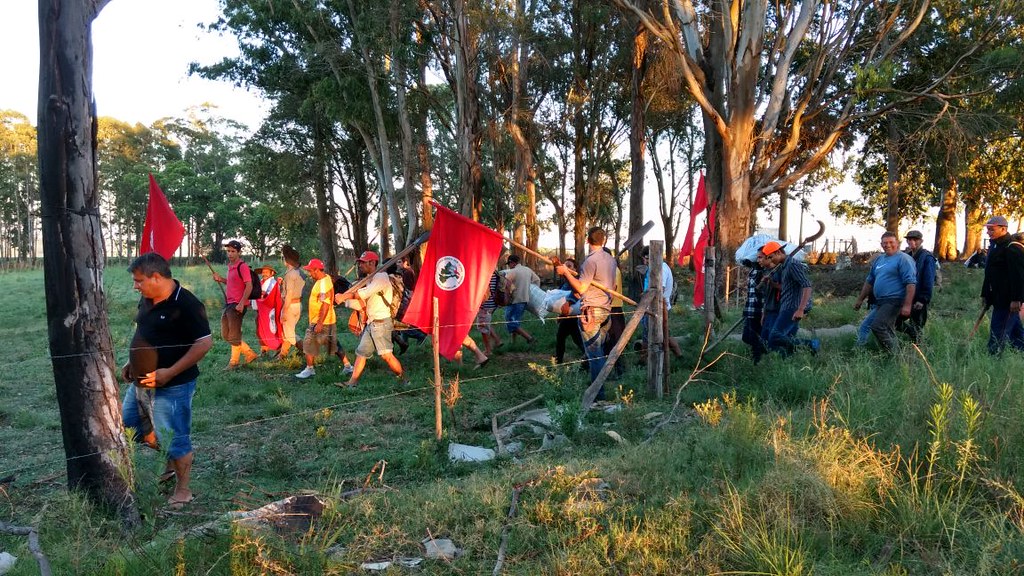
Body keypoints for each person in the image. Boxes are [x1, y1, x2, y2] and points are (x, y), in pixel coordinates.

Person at [121, 252, 213, 510]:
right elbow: (145, 330)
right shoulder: (147, 299)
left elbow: (204, 343)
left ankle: (183, 491)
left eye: (139, 281)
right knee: (130, 428)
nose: (135, 286)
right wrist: (133, 362)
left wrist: (170, 371)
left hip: (173, 386)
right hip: (140, 382)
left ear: (157, 277)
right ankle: (170, 462)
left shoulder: (186, 304)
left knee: (175, 438)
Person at [556, 227, 616, 400]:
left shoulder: (590, 261)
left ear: (588, 241)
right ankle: (601, 387)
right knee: (599, 352)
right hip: (606, 310)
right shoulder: (611, 260)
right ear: (603, 241)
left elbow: (581, 288)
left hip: (592, 310)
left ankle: (598, 395)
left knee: (594, 355)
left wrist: (566, 272)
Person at [335, 251, 407, 387]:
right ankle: (351, 383)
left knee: (387, 356)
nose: (360, 265)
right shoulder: (371, 278)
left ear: (372, 263)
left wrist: (344, 297)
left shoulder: (380, 278)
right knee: (361, 353)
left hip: (381, 323)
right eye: (360, 262)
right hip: (372, 323)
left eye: (363, 262)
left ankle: (404, 380)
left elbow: (364, 293)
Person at [854, 232, 917, 353]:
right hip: (881, 301)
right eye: (885, 243)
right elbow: (869, 281)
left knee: (878, 326)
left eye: (891, 242)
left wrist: (907, 305)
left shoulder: (903, 259)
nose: (888, 245)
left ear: (897, 243)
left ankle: (895, 354)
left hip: (895, 299)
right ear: (881, 244)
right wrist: (860, 299)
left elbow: (910, 283)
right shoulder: (880, 259)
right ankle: (897, 356)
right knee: (871, 326)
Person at [296, 258, 352, 379]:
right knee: (334, 345)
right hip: (328, 320)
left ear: (316, 270)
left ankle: (309, 369)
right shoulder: (325, 279)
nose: (310, 274)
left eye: (311, 271)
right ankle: (348, 366)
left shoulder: (323, 284)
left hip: (321, 321)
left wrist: (319, 323)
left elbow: (326, 303)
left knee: (308, 343)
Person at [761, 241, 819, 356]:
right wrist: (772, 284)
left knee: (774, 337)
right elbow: (786, 287)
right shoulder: (784, 266)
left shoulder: (792, 264)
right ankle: (789, 357)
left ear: (778, 252)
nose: (771, 261)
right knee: (780, 337)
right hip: (786, 306)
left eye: (771, 257)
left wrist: (801, 309)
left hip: (793, 307)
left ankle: (811, 344)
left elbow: (806, 285)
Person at [980, 216, 1024, 354]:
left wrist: (1016, 299)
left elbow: (1019, 277)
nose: (988, 232)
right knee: (1017, 335)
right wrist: (985, 294)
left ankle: (992, 361)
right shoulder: (995, 247)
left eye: (991, 229)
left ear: (1003, 229)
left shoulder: (1013, 248)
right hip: (997, 298)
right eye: (988, 229)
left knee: (998, 334)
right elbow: (990, 274)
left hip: (1008, 301)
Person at [211, 239, 258, 369]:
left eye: (233, 251)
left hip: (237, 305)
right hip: (229, 304)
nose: (230, 254)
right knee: (225, 335)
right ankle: (250, 353)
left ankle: (234, 362)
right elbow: (233, 283)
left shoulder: (242, 267)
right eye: (228, 251)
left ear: (239, 252)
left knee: (233, 335)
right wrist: (220, 279)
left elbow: (249, 285)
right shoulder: (230, 266)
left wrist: (242, 303)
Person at [640, 245, 683, 358]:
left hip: (658, 307)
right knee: (658, 334)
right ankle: (677, 355)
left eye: (645, 258)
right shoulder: (654, 268)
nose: (644, 261)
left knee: (659, 334)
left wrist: (646, 295)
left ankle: (646, 358)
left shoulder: (661, 268)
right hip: (651, 306)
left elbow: (659, 289)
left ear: (649, 257)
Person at [895, 230, 937, 343]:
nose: (912, 241)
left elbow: (928, 280)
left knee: (917, 325)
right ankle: (913, 336)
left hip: (919, 298)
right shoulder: (906, 256)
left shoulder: (927, 257)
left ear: (921, 241)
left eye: (915, 239)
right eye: (909, 239)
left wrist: (923, 299)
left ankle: (920, 349)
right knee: (895, 322)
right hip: (906, 297)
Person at [553, 258, 586, 369]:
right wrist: (560, 315)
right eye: (565, 266)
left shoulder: (575, 280)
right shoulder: (565, 281)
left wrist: (568, 302)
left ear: (575, 269)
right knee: (574, 338)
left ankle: (558, 362)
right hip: (567, 315)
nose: (567, 268)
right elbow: (561, 296)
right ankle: (587, 358)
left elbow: (575, 294)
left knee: (563, 337)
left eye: (570, 266)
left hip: (572, 314)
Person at [501, 254, 540, 344]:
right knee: (514, 320)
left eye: (509, 264)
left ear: (512, 263)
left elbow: (506, 286)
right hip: (524, 300)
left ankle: (530, 339)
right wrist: (532, 291)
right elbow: (537, 280)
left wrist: (505, 299)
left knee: (511, 323)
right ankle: (514, 342)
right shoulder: (527, 270)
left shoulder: (513, 271)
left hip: (513, 300)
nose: (509, 266)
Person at [741, 250, 768, 363]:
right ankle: (759, 355)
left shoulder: (762, 272)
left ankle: (759, 357)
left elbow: (764, 294)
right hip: (750, 309)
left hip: (758, 309)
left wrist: (763, 312)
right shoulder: (753, 271)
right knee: (748, 336)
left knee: (751, 336)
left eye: (759, 257)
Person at [279, 245, 305, 358]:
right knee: (289, 331)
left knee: (289, 334)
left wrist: (284, 311)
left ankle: (306, 351)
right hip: (298, 304)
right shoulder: (299, 272)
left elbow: (289, 294)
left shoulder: (290, 274)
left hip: (290, 305)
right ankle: (282, 355)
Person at [253, 265, 283, 356]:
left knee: (272, 329)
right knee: (260, 329)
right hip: (260, 310)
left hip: (269, 310)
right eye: (263, 272)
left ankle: (278, 349)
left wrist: (265, 294)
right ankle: (264, 349)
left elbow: (274, 295)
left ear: (272, 273)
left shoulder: (273, 283)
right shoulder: (261, 282)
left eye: (266, 272)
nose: (264, 274)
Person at [475, 269, 504, 355]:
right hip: (494, 303)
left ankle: (488, 350)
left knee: (482, 327)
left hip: (486, 304)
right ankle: (497, 341)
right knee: (486, 323)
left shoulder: (484, 273)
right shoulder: (495, 272)